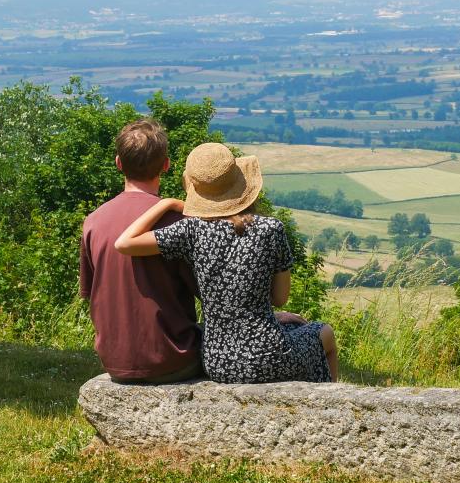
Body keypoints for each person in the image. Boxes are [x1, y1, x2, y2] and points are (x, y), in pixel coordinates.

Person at [114, 142, 338, 384]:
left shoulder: (191, 230)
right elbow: (279, 298)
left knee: (296, 333)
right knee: (324, 334)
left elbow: (124, 243)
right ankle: (328, 401)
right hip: (270, 355)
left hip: (218, 362)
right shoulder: (270, 229)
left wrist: (166, 203)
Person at [79, 120, 202, 383]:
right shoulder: (178, 223)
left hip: (115, 361)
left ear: (118, 163)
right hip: (173, 358)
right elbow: (207, 293)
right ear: (166, 165)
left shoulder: (93, 221)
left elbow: (90, 294)